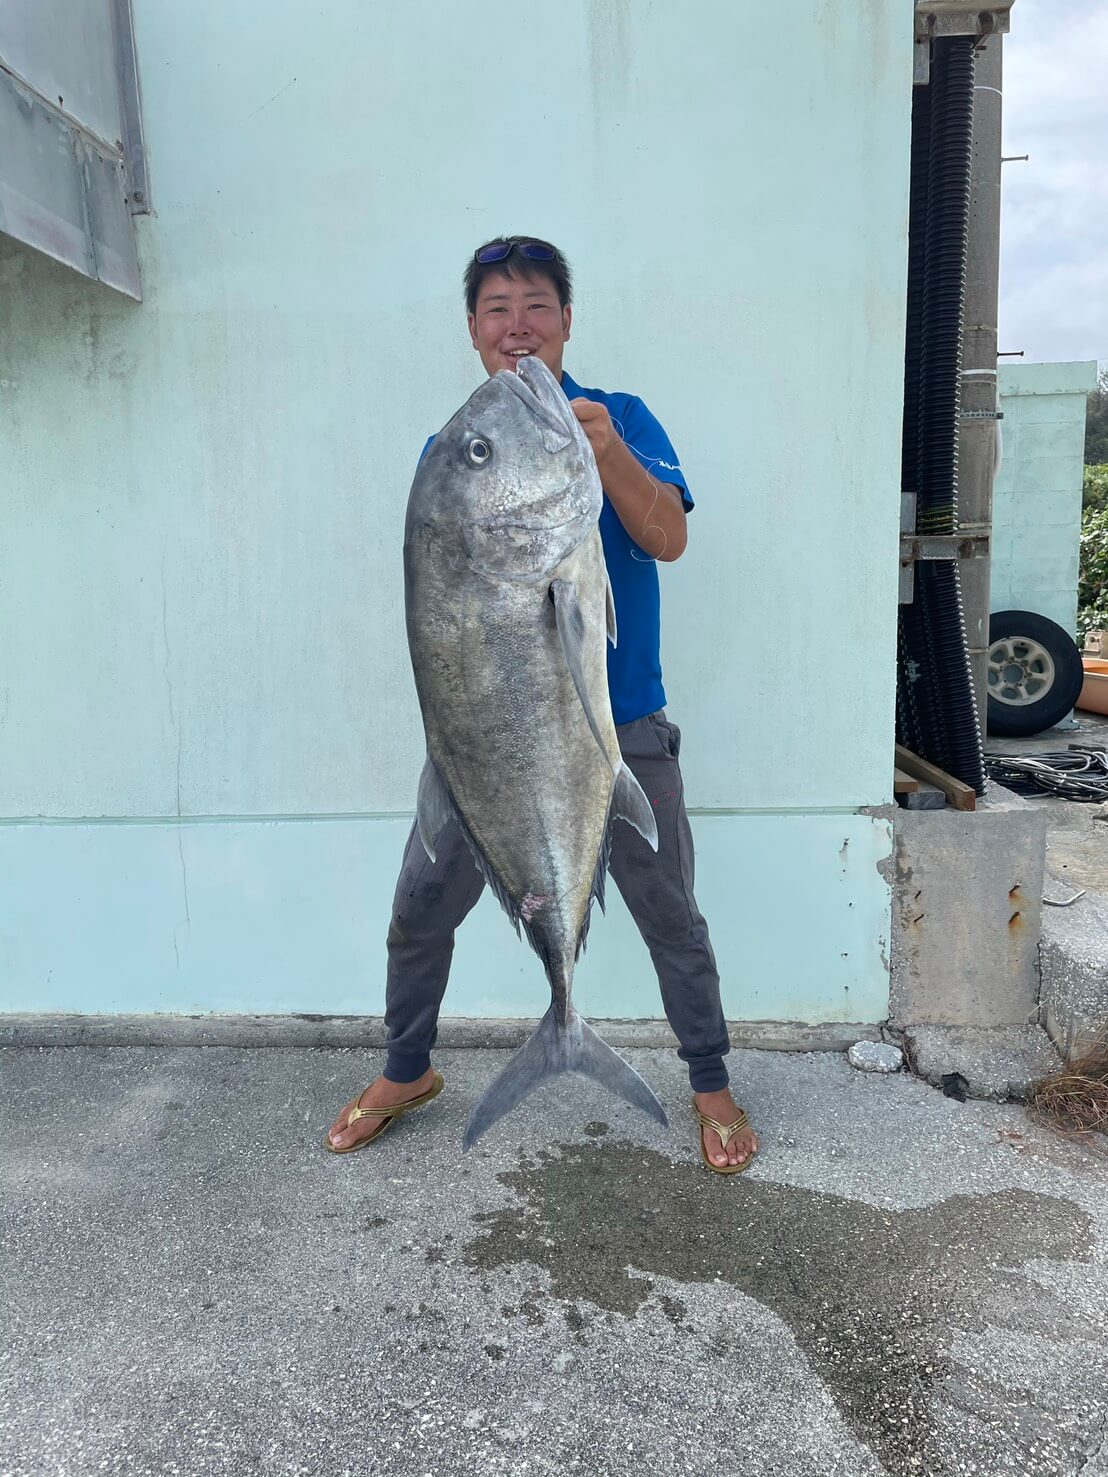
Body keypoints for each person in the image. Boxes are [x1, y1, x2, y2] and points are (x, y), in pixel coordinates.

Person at [326, 236, 758, 1174]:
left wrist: (602, 452)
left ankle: (711, 1080)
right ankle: (407, 1068)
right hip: (482, 743)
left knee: (670, 914)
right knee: (418, 909)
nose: (516, 325)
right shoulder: (456, 447)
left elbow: (667, 536)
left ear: (567, 320)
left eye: (535, 305)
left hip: (621, 725)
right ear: (473, 329)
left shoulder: (621, 418)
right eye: (496, 308)